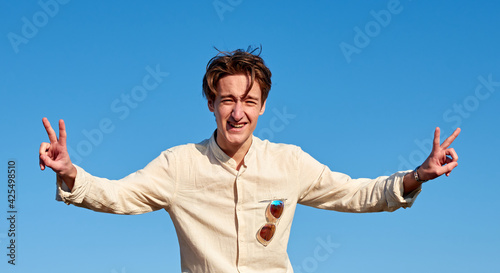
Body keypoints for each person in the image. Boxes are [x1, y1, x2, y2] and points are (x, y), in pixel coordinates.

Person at [39, 48, 460, 272]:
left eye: (249, 101)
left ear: (262, 107)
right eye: (227, 100)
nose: (237, 111)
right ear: (211, 103)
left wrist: (416, 176)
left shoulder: (289, 162)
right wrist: (71, 173)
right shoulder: (178, 165)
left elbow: (355, 193)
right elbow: (119, 195)